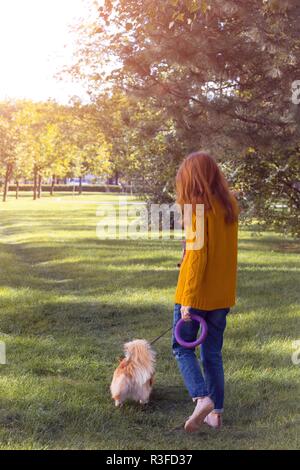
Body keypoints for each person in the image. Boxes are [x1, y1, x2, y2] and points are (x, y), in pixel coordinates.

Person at [172, 151, 239, 433]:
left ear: (191, 178)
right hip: (220, 295)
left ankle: (202, 398)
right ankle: (215, 415)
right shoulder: (228, 205)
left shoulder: (196, 208)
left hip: (196, 294)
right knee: (212, 353)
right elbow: (210, 251)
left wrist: (187, 301)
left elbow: (199, 258)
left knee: (181, 349)